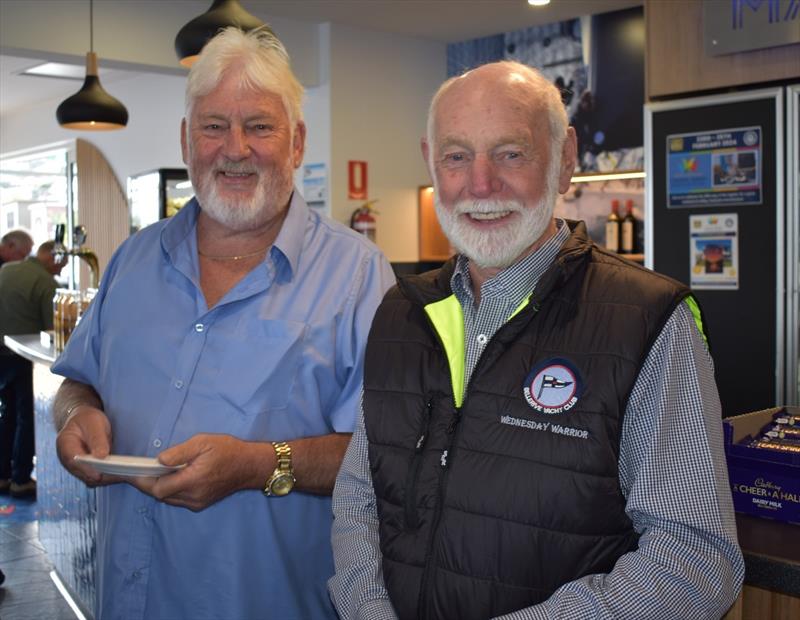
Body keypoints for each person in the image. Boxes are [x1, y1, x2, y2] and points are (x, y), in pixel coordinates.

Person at [329, 61, 744, 620]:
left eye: (510, 153)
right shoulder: (402, 311)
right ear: (431, 160)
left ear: (565, 158)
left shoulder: (647, 322)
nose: (480, 184)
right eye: (457, 156)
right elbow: (359, 496)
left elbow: (696, 561)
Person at [51, 27, 394, 620]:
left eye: (259, 126)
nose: (235, 148)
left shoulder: (359, 276)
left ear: (297, 142)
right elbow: (78, 382)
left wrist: (258, 466)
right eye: (213, 126)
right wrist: (76, 415)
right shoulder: (133, 260)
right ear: (187, 139)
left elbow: (384, 455)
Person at [0, 240, 67, 498]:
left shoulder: (7, 270)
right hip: (22, 357)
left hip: (2, 354)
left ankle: (3, 474)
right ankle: (20, 480)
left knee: (7, 414)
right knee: (27, 416)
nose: (62, 269)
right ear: (53, 258)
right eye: (63, 262)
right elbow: (54, 329)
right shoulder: (46, 284)